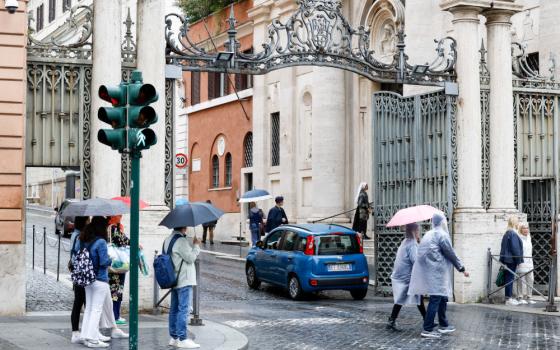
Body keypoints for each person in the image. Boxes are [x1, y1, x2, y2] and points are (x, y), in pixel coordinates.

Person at [408, 214, 469, 339]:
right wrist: (461, 268)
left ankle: (443, 324)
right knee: (436, 298)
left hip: (432, 271)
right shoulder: (442, 235)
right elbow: (450, 253)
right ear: (442, 222)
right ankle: (427, 328)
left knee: (442, 298)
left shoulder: (428, 234)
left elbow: (421, 254)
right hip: (438, 272)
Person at [79, 216, 129, 348]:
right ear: (101, 227)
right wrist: (110, 258)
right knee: (96, 310)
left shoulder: (85, 240)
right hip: (100, 279)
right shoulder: (101, 242)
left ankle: (86, 336)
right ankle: (93, 339)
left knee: (89, 308)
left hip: (87, 278)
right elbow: (103, 262)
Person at [164, 226, 201, 349]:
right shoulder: (181, 241)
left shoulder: (167, 240)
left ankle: (174, 337)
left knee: (174, 309)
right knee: (183, 309)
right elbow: (190, 258)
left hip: (173, 279)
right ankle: (182, 338)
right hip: (184, 279)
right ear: (184, 227)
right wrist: (196, 246)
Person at [387, 223, 426, 331]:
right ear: (414, 232)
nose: (419, 233)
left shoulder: (405, 241)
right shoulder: (412, 244)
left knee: (413, 297)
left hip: (401, 276)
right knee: (414, 296)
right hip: (406, 277)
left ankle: (392, 320)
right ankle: (427, 321)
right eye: (418, 231)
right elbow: (415, 261)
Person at [70, 216, 90, 344]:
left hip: (77, 273)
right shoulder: (79, 237)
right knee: (81, 303)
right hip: (82, 274)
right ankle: (79, 331)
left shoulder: (75, 235)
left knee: (78, 302)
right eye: (87, 220)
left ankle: (77, 331)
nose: (89, 222)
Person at [107, 215, 130, 325]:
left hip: (120, 264)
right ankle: (114, 316)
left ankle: (116, 315)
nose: (121, 217)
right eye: (118, 215)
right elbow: (122, 240)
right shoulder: (112, 228)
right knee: (115, 290)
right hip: (116, 264)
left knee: (118, 290)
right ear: (113, 217)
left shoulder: (116, 228)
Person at [499, 216, 524, 306]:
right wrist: (519, 260)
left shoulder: (507, 233)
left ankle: (508, 297)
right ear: (514, 223)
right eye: (517, 222)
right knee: (510, 278)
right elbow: (515, 248)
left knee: (508, 278)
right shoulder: (512, 234)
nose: (518, 223)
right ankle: (508, 299)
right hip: (511, 260)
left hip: (506, 259)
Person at [515, 223, 535, 305]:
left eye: (527, 228)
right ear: (520, 229)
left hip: (529, 262)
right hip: (521, 262)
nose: (526, 230)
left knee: (530, 279)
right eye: (524, 228)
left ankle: (529, 296)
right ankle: (520, 296)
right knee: (521, 280)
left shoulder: (529, 238)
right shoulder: (519, 238)